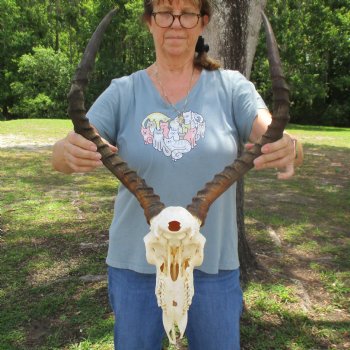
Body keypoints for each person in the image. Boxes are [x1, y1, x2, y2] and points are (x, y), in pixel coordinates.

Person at [52, 0, 303, 349]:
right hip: (138, 265)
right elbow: (72, 148)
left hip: (211, 263)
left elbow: (270, 132)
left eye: (187, 13)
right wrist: (66, 152)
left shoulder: (231, 87)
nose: (176, 23)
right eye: (165, 12)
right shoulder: (124, 91)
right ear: (149, 21)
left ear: (202, 22)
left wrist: (290, 146)